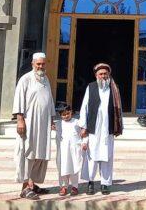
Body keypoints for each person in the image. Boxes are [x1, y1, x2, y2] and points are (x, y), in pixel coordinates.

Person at [12, 52, 56, 200]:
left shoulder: (46, 80)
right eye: (38, 64)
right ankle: (24, 188)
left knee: (40, 154)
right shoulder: (25, 79)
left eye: (43, 64)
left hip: (43, 124)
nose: (41, 66)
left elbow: (49, 101)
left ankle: (32, 183)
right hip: (29, 123)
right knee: (28, 152)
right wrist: (20, 120)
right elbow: (19, 100)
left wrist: (51, 119)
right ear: (32, 64)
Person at [79, 62, 124, 195]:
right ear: (96, 75)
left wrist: (119, 126)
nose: (103, 76)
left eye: (105, 74)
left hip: (107, 129)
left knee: (107, 157)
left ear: (109, 75)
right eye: (100, 74)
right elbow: (84, 107)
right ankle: (91, 183)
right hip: (93, 128)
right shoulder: (91, 87)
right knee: (92, 156)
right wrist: (83, 126)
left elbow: (119, 110)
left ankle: (105, 184)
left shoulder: (114, 88)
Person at [54, 101, 84, 196]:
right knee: (62, 168)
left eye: (68, 113)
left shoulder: (77, 122)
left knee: (74, 168)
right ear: (60, 115)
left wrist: (84, 143)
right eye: (63, 115)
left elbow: (84, 133)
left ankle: (75, 186)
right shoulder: (58, 124)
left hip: (74, 150)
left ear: (71, 112)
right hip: (62, 151)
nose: (66, 116)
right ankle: (63, 187)